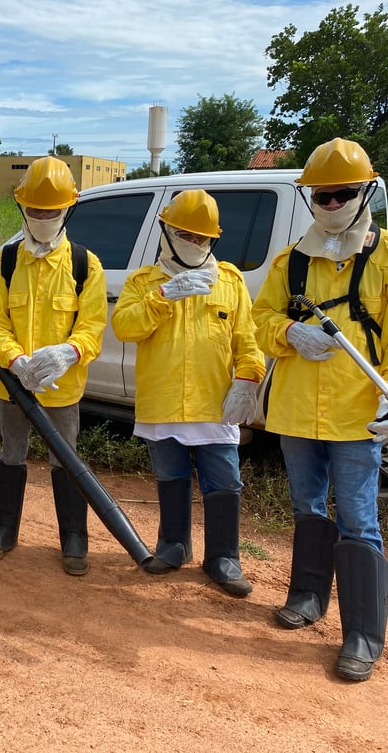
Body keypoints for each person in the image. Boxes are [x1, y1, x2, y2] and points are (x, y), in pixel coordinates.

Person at [251, 138, 388, 680]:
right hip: (297, 412)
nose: (330, 205)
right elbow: (259, 321)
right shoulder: (292, 260)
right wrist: (289, 333)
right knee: (307, 506)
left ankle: (361, 635)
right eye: (320, 197)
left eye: (341, 195)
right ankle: (307, 596)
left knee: (358, 517)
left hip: (358, 415)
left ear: (366, 191)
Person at [111, 189, 265, 596]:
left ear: (213, 240)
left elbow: (247, 341)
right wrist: (163, 296)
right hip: (162, 404)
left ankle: (224, 557)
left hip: (214, 406)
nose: (192, 243)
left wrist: (248, 380)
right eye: (184, 234)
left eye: (201, 238)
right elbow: (125, 327)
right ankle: (173, 545)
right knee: (171, 477)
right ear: (165, 231)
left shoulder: (230, 282)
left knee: (224, 483)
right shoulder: (143, 283)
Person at [0, 156, 107, 576]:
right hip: (12, 388)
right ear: (22, 208)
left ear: (69, 208)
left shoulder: (85, 265)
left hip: (61, 389)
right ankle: (2, 531)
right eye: (36, 210)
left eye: (52, 211)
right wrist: (14, 359)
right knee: (11, 453)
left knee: (65, 460)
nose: (44, 217)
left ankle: (73, 541)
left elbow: (92, 328)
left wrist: (66, 353)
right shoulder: (6, 261)